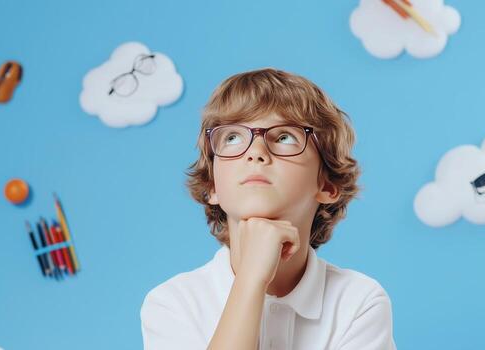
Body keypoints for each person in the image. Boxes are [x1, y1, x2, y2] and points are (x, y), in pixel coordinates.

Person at [140, 68, 396, 349]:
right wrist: (252, 278)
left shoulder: (359, 302)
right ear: (212, 185)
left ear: (327, 185)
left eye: (285, 137)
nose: (255, 151)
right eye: (232, 137)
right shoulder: (172, 303)